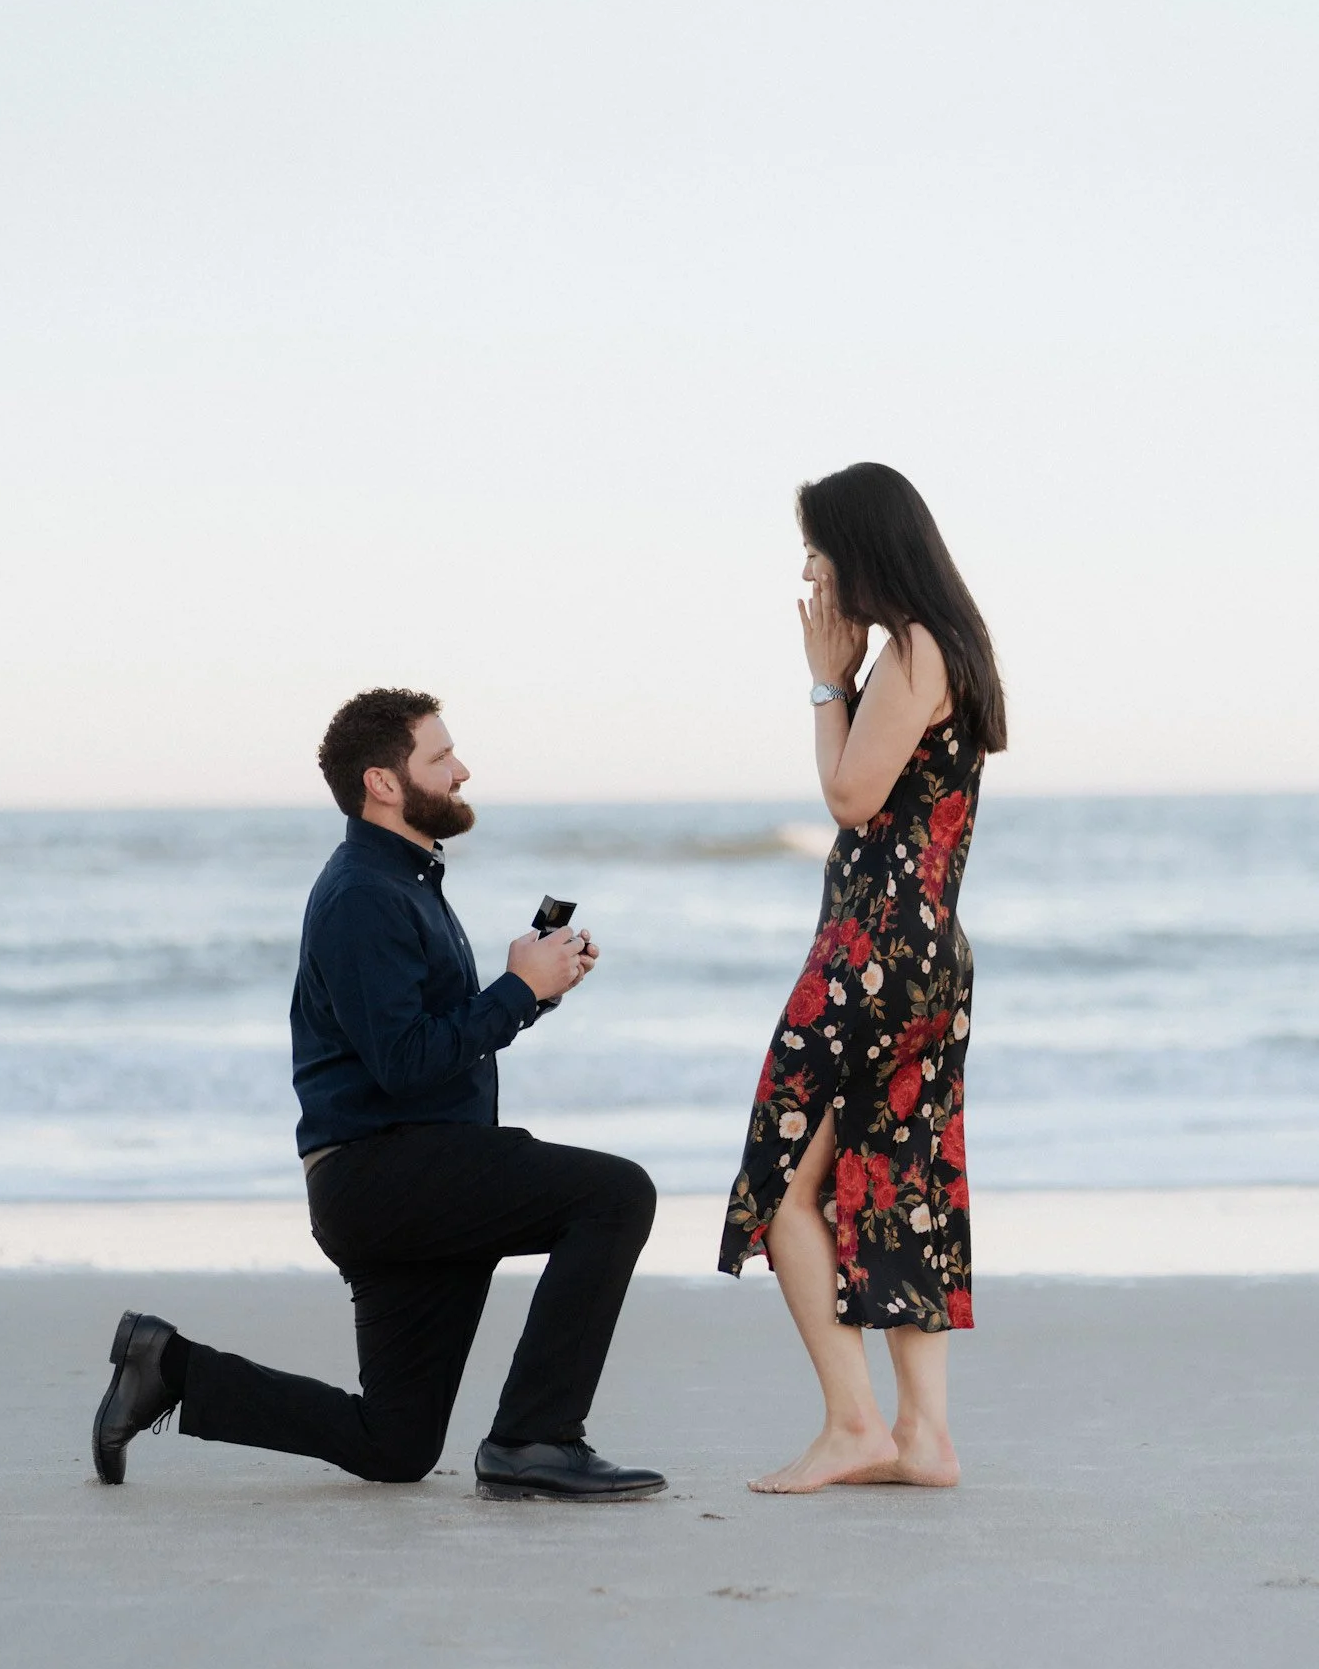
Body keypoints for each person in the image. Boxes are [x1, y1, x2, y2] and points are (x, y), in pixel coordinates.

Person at [92, 687, 666, 1503]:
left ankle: (166, 1366)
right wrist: (512, 989)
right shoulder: (363, 893)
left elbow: (427, 1044)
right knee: (616, 1195)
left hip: (408, 1180)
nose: (462, 770)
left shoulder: (403, 882)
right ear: (383, 783)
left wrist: (532, 990)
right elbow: (403, 1062)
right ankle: (534, 1439)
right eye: (440, 756)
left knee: (394, 1444)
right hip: (384, 1177)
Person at [719, 464, 1006, 1493]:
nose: (806, 570)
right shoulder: (951, 647)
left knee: (783, 1185)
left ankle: (853, 1423)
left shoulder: (909, 651)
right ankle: (923, 1435)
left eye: (815, 549)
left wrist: (821, 679)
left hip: (871, 953)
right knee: (897, 1181)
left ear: (861, 551)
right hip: (931, 954)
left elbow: (848, 795)